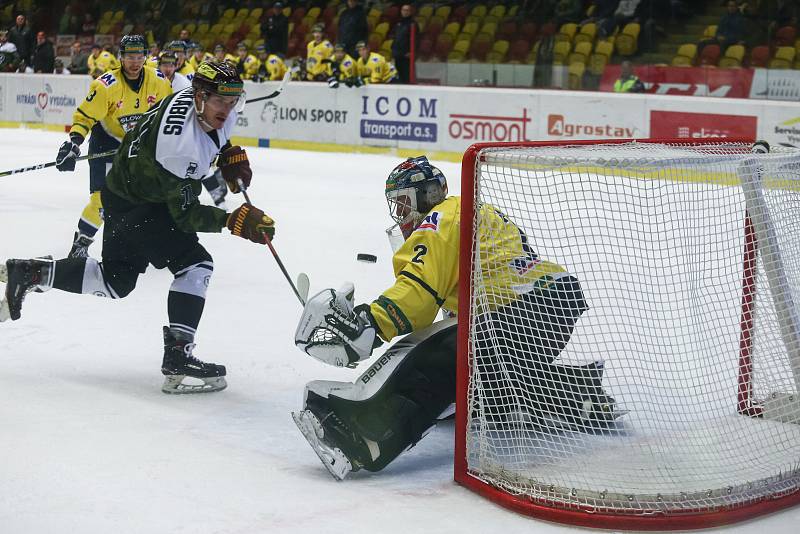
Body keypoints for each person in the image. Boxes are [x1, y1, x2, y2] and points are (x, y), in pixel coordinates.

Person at [291, 156, 619, 480]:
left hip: (520, 308)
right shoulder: (476, 211)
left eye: (403, 204)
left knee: (433, 359)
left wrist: (371, 323)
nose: (401, 215)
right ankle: (580, 394)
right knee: (480, 391)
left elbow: (419, 290)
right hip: (554, 301)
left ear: (428, 195)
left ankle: (359, 435)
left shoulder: (441, 217)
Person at [1, 61, 276, 395]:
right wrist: (234, 221)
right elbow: (187, 216)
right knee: (195, 264)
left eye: (234, 100)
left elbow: (214, 135)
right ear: (200, 97)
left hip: (122, 192)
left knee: (115, 281)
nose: (229, 108)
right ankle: (178, 356)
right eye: (221, 101)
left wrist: (228, 154)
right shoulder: (179, 150)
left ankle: (30, 273)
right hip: (142, 202)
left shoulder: (190, 99)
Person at [54, 35, 173, 258]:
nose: (135, 62)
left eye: (140, 57)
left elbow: (166, 115)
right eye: (130, 57)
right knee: (102, 201)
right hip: (106, 143)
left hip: (137, 147)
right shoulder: (105, 85)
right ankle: (81, 244)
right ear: (120, 57)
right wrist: (73, 143)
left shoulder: (159, 81)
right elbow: (85, 117)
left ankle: (144, 244)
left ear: (146, 57)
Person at [391, 4, 418, 84]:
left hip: (407, 55)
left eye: (407, 10)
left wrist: (411, 52)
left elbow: (416, 40)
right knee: (399, 77)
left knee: (407, 77)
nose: (405, 12)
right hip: (398, 55)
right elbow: (396, 38)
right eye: (403, 10)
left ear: (410, 12)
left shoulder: (413, 24)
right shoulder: (398, 24)